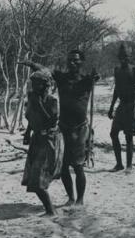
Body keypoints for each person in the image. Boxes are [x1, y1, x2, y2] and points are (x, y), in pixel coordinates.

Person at [19, 50, 99, 206]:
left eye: (76, 60)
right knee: (63, 166)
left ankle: (80, 200)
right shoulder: (62, 78)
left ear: (82, 62)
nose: (72, 63)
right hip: (63, 128)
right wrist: (31, 64)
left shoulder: (86, 81)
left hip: (80, 128)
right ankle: (71, 197)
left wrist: (95, 77)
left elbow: (95, 77)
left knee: (78, 166)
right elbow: (45, 71)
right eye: (70, 60)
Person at [21, 70, 64, 216]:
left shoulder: (52, 101)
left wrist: (39, 105)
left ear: (44, 85)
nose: (33, 86)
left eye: (36, 84)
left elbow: (50, 121)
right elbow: (31, 118)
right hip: (37, 139)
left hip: (49, 140)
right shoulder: (33, 98)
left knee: (38, 179)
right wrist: (27, 132)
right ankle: (49, 209)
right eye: (32, 83)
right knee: (34, 175)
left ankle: (50, 211)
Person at [108, 44, 135, 172]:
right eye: (121, 56)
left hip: (131, 106)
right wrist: (111, 107)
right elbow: (116, 90)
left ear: (130, 57)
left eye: (126, 56)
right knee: (113, 134)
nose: (123, 58)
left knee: (129, 137)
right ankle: (119, 164)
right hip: (121, 106)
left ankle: (129, 165)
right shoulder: (117, 70)